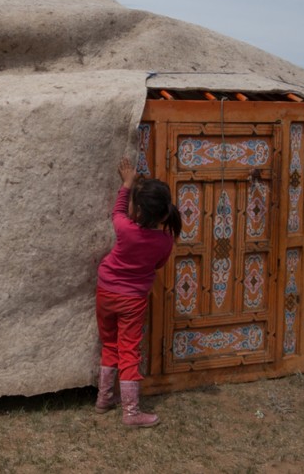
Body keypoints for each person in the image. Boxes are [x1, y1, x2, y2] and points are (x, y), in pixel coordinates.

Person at [94, 156, 181, 428]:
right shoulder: (165, 241)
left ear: (138, 211)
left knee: (109, 344)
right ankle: (131, 412)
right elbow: (158, 265)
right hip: (132, 301)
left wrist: (126, 184)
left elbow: (117, 212)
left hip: (105, 293)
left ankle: (104, 399)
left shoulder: (125, 230)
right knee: (129, 350)